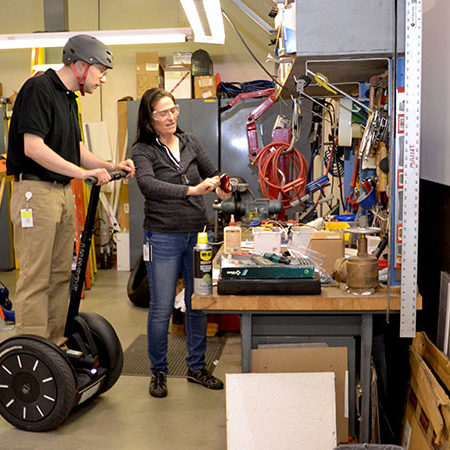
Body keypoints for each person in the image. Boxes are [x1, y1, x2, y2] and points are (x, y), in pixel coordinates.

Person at [6, 34, 135, 345]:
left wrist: (110, 165)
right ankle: (33, 350)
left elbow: (75, 150)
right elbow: (34, 148)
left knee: (60, 273)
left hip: (61, 192)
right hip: (34, 192)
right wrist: (82, 174)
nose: (103, 79)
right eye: (101, 71)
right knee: (36, 276)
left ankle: (54, 344)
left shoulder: (69, 99)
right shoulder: (38, 89)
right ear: (80, 65)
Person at [132, 88, 231, 398]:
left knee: (197, 303)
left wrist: (221, 186)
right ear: (149, 119)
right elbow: (148, 184)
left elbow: (211, 172)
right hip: (162, 236)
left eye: (173, 110)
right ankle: (158, 372)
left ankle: (197, 367)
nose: (171, 116)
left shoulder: (190, 141)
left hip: (196, 235)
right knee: (161, 308)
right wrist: (192, 191)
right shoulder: (142, 150)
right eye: (163, 113)